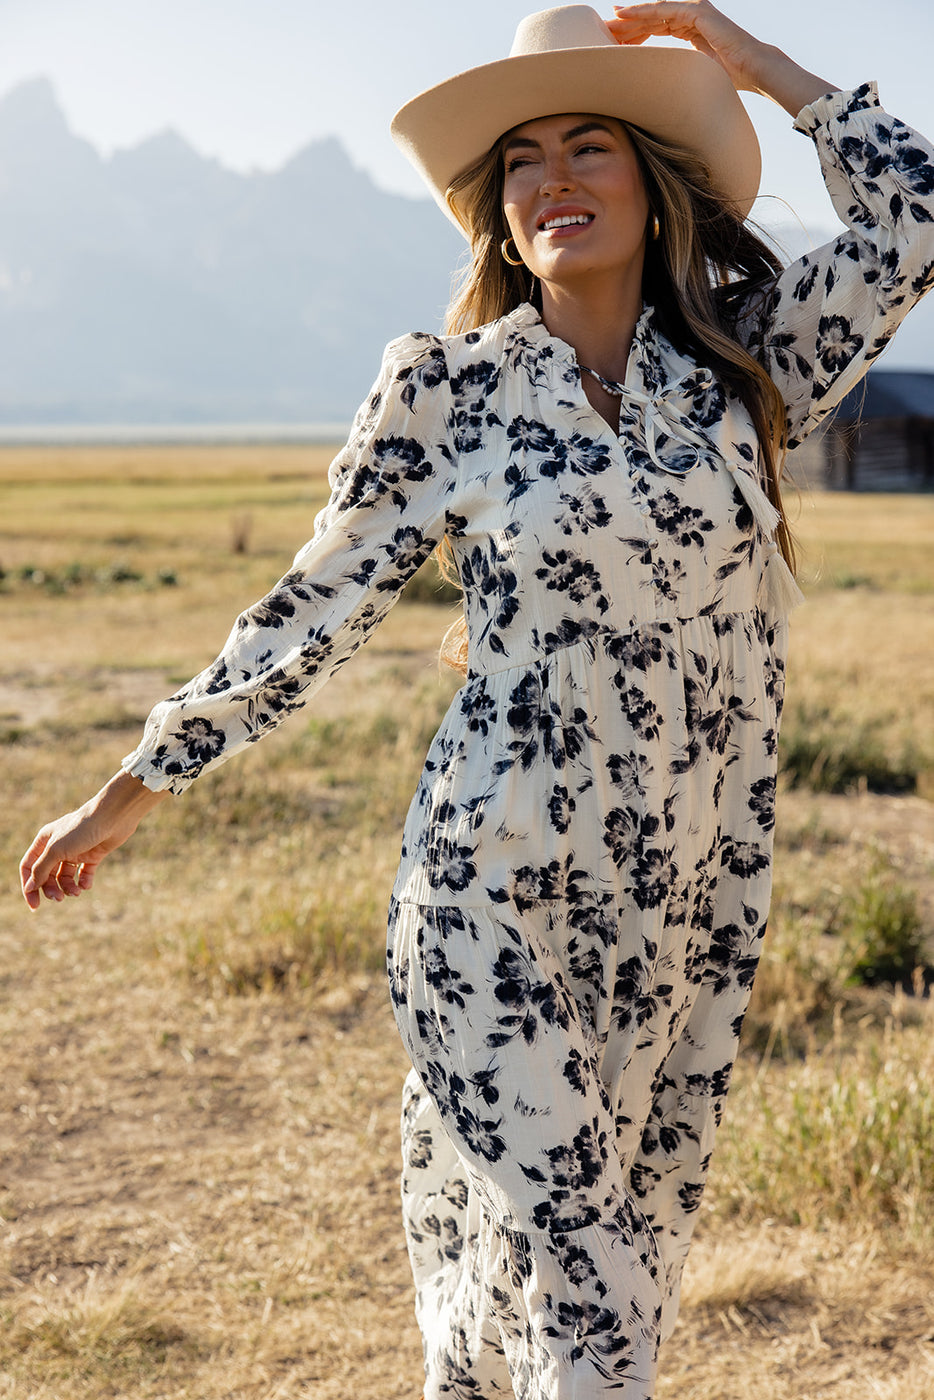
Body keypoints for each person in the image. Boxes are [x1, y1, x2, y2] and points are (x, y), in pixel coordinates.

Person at [19, 3, 934, 1396]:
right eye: (518, 162)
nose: (551, 179)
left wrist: (745, 64)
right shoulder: (443, 393)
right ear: (495, 217)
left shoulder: (750, 369)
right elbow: (306, 616)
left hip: (680, 906)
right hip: (487, 891)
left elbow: (912, 217)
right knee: (592, 1288)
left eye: (588, 146)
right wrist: (135, 784)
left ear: (655, 181)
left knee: (568, 1261)